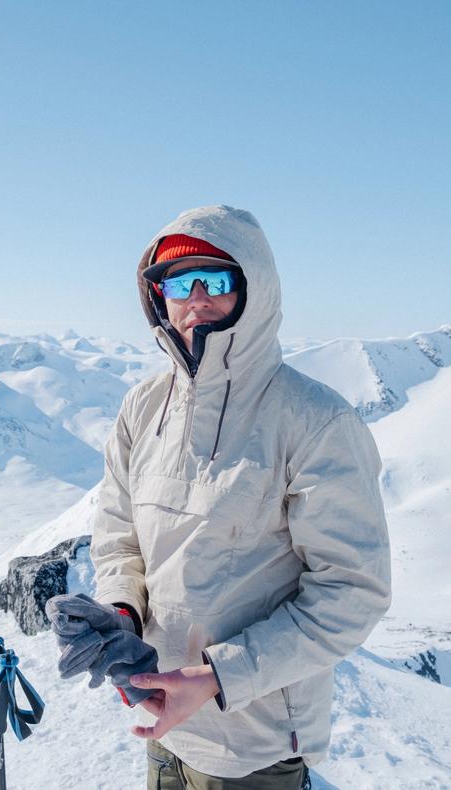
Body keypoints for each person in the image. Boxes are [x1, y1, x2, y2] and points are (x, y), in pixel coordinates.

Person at [50, 205, 391, 789]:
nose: (197, 299)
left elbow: (352, 592)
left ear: (254, 287)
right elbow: (119, 538)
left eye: (216, 278)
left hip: (255, 744)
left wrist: (216, 677)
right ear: (157, 297)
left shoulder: (315, 420)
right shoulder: (144, 407)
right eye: (178, 283)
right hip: (160, 718)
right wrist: (121, 613)